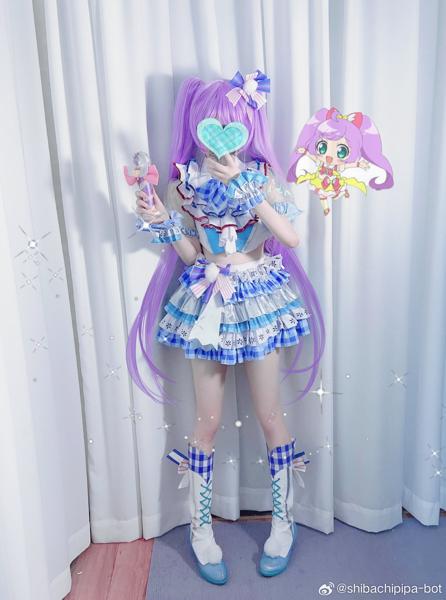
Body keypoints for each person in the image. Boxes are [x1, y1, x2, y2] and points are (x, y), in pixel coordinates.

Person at [126, 70, 325, 585]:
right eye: (211, 127)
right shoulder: (183, 183)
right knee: (207, 422)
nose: (220, 140)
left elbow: (290, 237)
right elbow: (193, 254)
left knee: (270, 414)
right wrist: (162, 219)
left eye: (231, 127)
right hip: (207, 300)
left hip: (258, 297)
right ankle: (200, 529)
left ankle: (283, 523)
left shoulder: (262, 178)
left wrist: (243, 184)